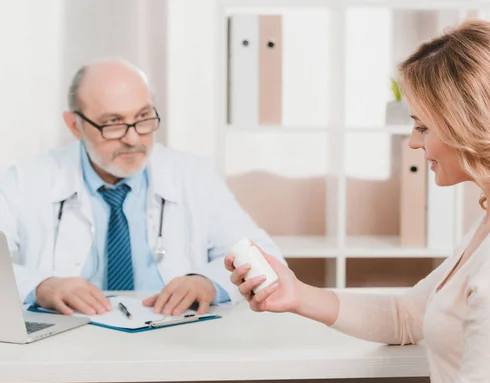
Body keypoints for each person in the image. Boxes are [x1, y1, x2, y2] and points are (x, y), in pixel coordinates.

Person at [225, 20, 490, 383]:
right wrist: (297, 294)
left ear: (468, 127)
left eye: (422, 126)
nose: (414, 142)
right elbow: (406, 316)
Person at [0, 58, 283, 317]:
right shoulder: (26, 179)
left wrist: (208, 283)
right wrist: (38, 287)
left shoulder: (192, 175)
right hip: (67, 339)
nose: (133, 138)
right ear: (75, 125)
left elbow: (265, 258)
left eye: (143, 117)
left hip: (175, 334)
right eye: (113, 123)